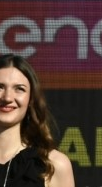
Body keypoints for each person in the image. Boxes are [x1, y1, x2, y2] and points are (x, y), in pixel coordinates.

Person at [0, 54, 75, 187]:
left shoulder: (53, 165)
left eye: (19, 89)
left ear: (31, 99)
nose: (7, 97)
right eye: (0, 87)